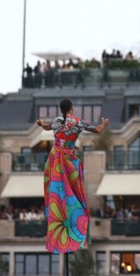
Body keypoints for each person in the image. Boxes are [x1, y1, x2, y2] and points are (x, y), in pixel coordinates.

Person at [36, 98, 109, 253]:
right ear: (71, 108)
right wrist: (105, 123)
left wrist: (41, 124)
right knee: (74, 192)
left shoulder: (56, 121)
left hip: (55, 159)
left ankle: (60, 222)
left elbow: (47, 127)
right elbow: (97, 130)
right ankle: (76, 223)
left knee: (57, 192)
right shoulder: (77, 122)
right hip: (67, 160)